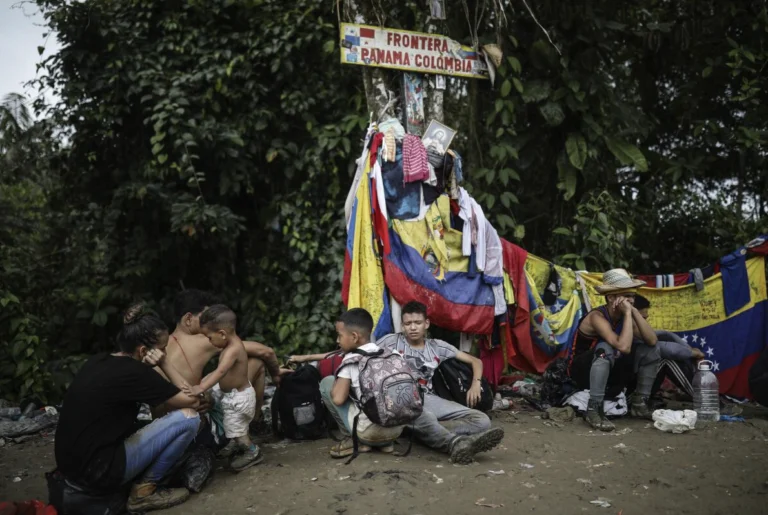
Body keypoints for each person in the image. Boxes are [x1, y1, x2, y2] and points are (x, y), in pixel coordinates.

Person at [55, 305, 201, 513]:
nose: (164, 353)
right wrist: (165, 363)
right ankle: (143, 493)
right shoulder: (136, 372)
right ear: (143, 351)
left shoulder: (98, 361)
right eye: (163, 348)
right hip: (98, 472)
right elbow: (193, 401)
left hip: (72, 468)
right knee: (189, 419)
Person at [377, 301, 504, 464]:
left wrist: (475, 384)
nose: (413, 328)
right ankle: (456, 443)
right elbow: (364, 355)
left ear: (426, 324)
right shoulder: (390, 341)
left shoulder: (437, 347)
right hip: (400, 399)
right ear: (402, 326)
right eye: (408, 324)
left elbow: (476, 361)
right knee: (425, 416)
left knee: (482, 420)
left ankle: (422, 431)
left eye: (417, 323)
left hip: (428, 399)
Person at [159, 289, 281, 425]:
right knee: (257, 362)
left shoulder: (160, 346)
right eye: (205, 317)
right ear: (188, 319)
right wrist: (277, 373)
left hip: (164, 424)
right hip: (193, 421)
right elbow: (266, 352)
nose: (211, 322)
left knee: (219, 372)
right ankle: (256, 422)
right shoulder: (203, 340)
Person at [568, 269, 661, 432]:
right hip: (582, 371)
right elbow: (623, 347)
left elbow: (652, 340)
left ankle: (639, 403)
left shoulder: (626, 315)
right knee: (605, 347)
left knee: (650, 350)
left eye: (632, 296)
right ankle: (594, 409)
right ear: (611, 298)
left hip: (610, 370)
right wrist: (627, 313)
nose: (631, 300)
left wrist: (633, 313)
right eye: (626, 296)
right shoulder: (597, 317)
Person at [183, 304, 262, 471]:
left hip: (239, 400)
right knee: (231, 424)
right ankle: (236, 441)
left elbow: (220, 372)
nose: (209, 341)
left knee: (237, 429)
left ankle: (251, 450)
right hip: (234, 395)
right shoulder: (231, 345)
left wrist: (201, 387)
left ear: (222, 334)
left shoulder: (232, 350)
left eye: (209, 337)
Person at [319, 309, 403, 459]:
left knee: (327, 383)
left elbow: (338, 399)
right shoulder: (391, 353)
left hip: (369, 434)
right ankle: (386, 444)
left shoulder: (351, 360)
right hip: (396, 430)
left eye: (340, 335)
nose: (337, 341)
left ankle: (352, 440)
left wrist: (339, 383)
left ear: (354, 336)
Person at [634, 295, 704, 401]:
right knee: (668, 360)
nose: (645, 323)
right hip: (627, 396)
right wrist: (694, 353)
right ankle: (704, 400)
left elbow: (666, 334)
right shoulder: (626, 331)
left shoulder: (636, 330)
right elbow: (668, 350)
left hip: (635, 390)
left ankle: (704, 397)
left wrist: (690, 349)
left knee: (675, 349)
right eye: (642, 319)